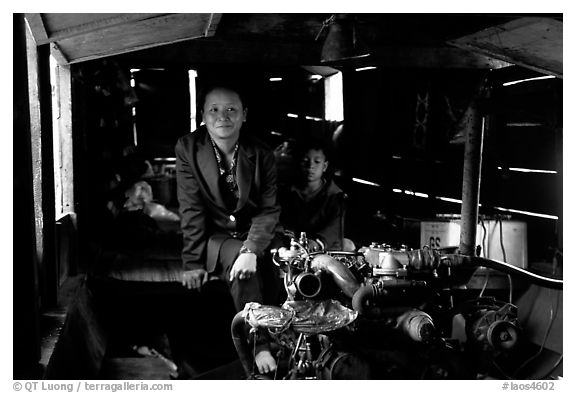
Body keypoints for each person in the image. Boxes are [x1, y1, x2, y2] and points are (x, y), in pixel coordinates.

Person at [174, 82, 281, 376]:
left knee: (285, 262)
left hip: (257, 233)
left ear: (244, 115)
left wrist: (252, 248)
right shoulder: (188, 148)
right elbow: (191, 207)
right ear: (203, 115)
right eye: (215, 110)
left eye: (231, 109)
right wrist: (192, 262)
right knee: (241, 264)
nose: (223, 116)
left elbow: (268, 209)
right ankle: (259, 343)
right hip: (217, 237)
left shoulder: (261, 153)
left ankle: (294, 341)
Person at [278, 138, 347, 252]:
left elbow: (333, 231)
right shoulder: (286, 193)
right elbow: (280, 223)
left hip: (322, 249)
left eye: (317, 162)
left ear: (325, 166)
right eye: (305, 161)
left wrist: (315, 244)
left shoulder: (335, 196)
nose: (311, 166)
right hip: (290, 247)